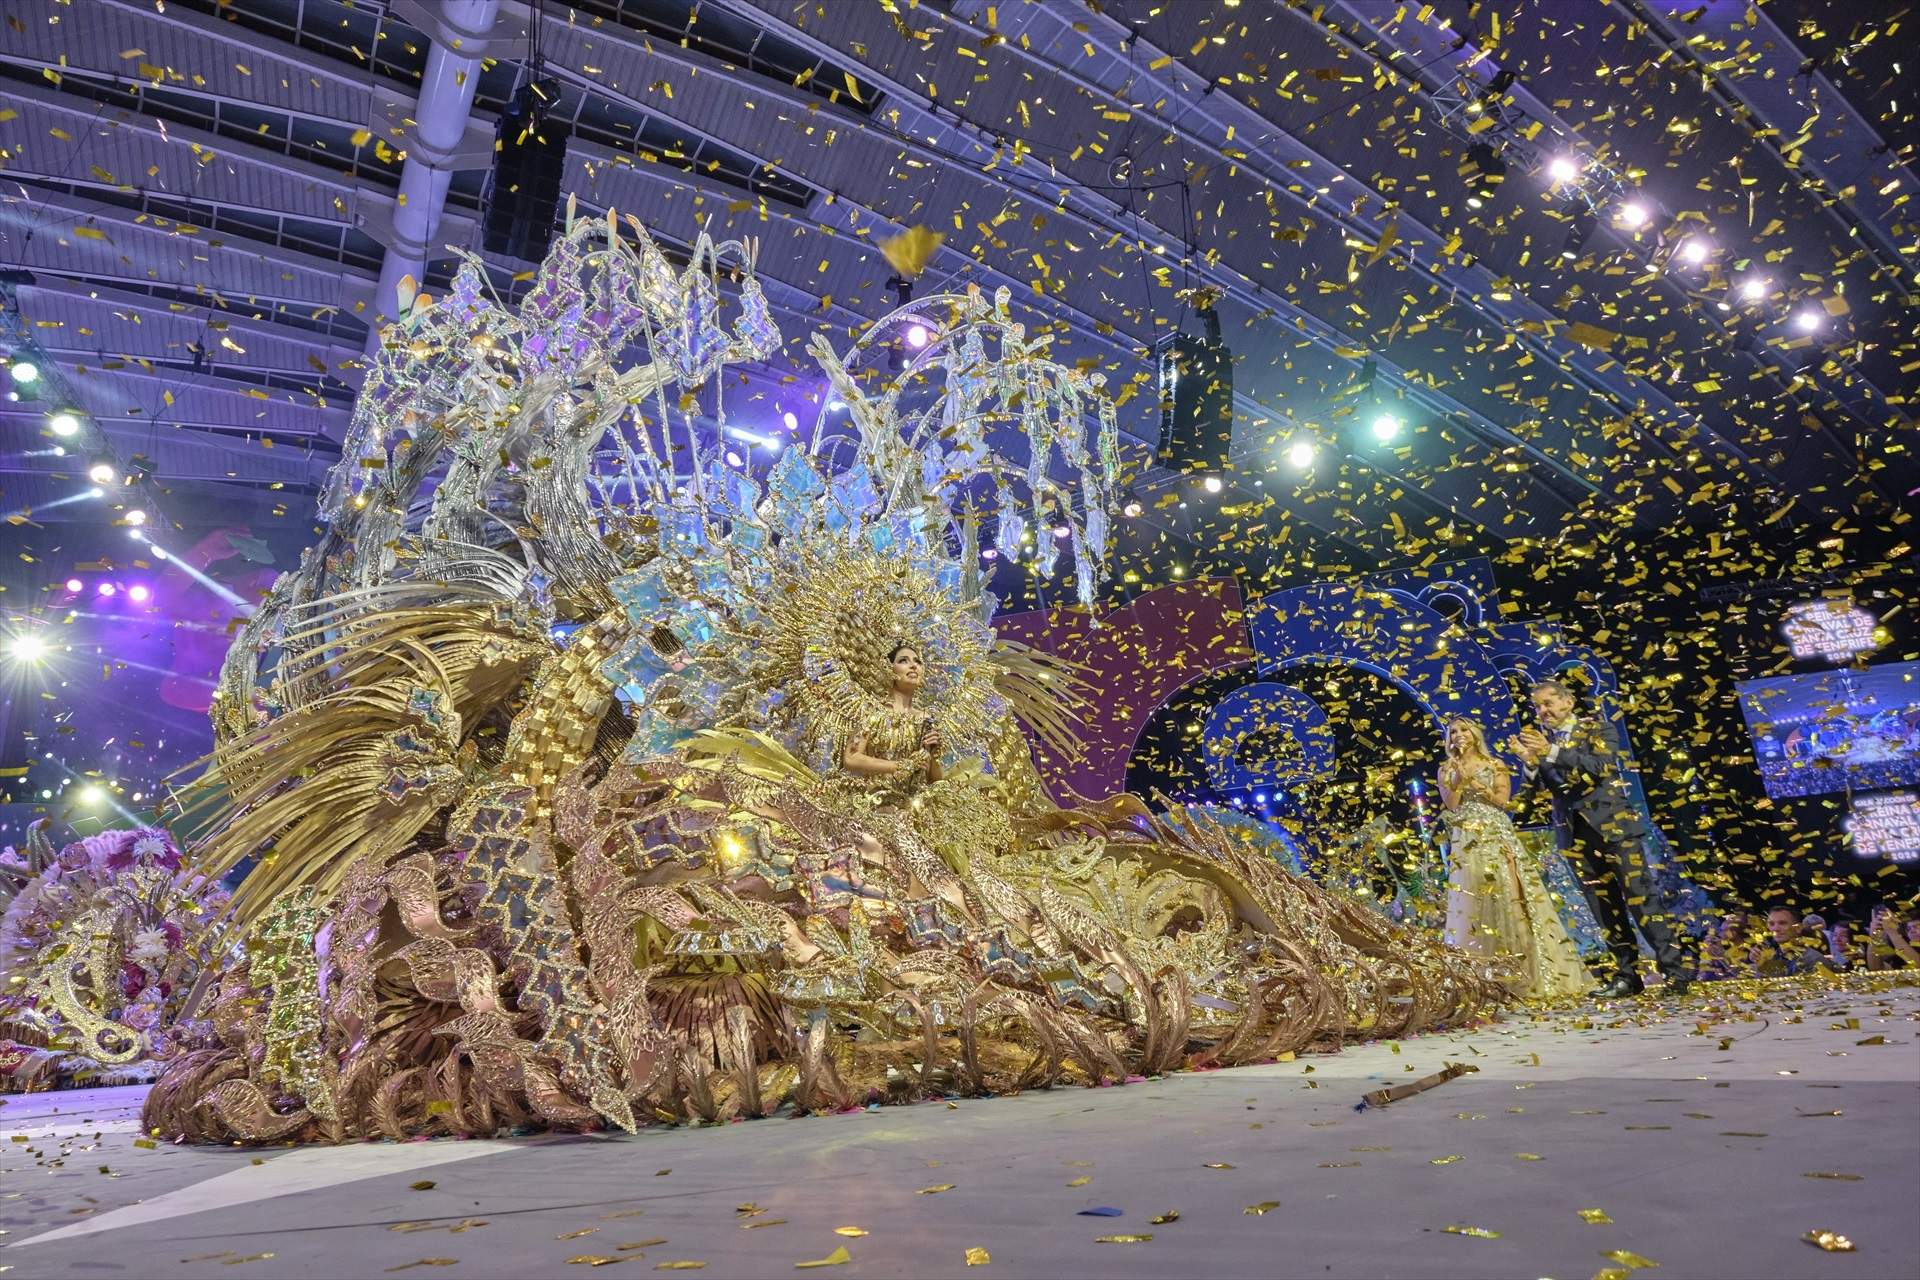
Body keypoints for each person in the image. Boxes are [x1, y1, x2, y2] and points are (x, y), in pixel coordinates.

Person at [1515, 678, 1691, 997]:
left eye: (1548, 703)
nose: (1542, 711)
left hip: (1615, 830)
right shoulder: (1541, 745)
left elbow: (1601, 766)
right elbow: (1535, 795)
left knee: (1643, 901)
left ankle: (1674, 972)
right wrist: (1530, 764)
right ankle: (1627, 976)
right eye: (1537, 706)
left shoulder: (1598, 729)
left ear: (1567, 703)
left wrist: (1550, 751)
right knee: (1603, 909)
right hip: (1574, 836)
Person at [1437, 717, 1591, 999]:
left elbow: (1504, 802)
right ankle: (1482, 980)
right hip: (1467, 840)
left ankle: (1529, 973)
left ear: (1474, 733)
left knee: (1511, 894)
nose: (1458, 735)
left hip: (1496, 834)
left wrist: (1481, 788)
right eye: (1453, 732)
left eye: (1463, 729)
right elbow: (1452, 804)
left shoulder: (1495, 764)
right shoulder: (1446, 769)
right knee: (1474, 902)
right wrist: (1458, 776)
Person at [1749, 905, 1829, 976]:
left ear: (1798, 928)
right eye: (1771, 924)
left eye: (1782, 923)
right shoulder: (1773, 956)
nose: (1775, 929)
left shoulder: (1812, 959)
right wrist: (1760, 963)